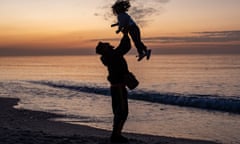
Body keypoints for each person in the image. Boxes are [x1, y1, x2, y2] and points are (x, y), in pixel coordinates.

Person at [96, 33, 133, 143]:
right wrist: (125, 34)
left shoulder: (109, 56)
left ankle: (116, 134)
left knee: (119, 111)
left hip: (116, 87)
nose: (107, 44)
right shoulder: (112, 55)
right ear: (104, 49)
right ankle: (116, 136)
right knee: (122, 112)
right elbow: (125, 47)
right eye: (104, 45)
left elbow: (122, 48)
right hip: (119, 88)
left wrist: (125, 36)